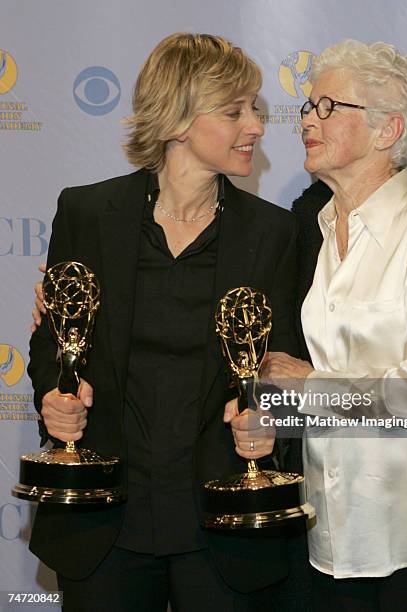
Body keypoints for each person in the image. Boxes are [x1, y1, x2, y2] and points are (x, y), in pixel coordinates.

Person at [28, 32, 301, 612]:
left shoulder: (274, 233)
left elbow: (282, 360)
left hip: (224, 527)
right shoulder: (86, 212)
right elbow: (57, 337)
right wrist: (54, 393)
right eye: (234, 111)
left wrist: (269, 417)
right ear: (177, 120)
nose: (255, 125)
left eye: (255, 108)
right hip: (103, 524)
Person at [262, 39, 407, 611]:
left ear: (388, 130)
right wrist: (265, 408)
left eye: (327, 108)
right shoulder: (313, 231)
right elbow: (303, 377)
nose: (307, 122)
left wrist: (309, 388)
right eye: (307, 107)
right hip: (331, 542)